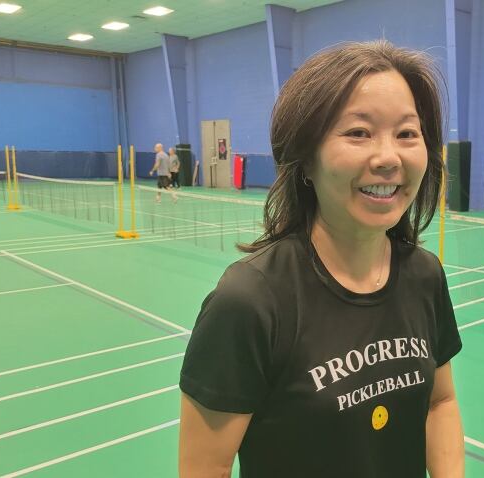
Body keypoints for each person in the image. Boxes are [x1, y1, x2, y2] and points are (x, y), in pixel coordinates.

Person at [178, 40, 464, 478]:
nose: (388, 157)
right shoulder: (250, 301)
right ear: (305, 160)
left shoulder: (424, 275)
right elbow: (206, 469)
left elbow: (440, 403)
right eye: (358, 133)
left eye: (407, 133)